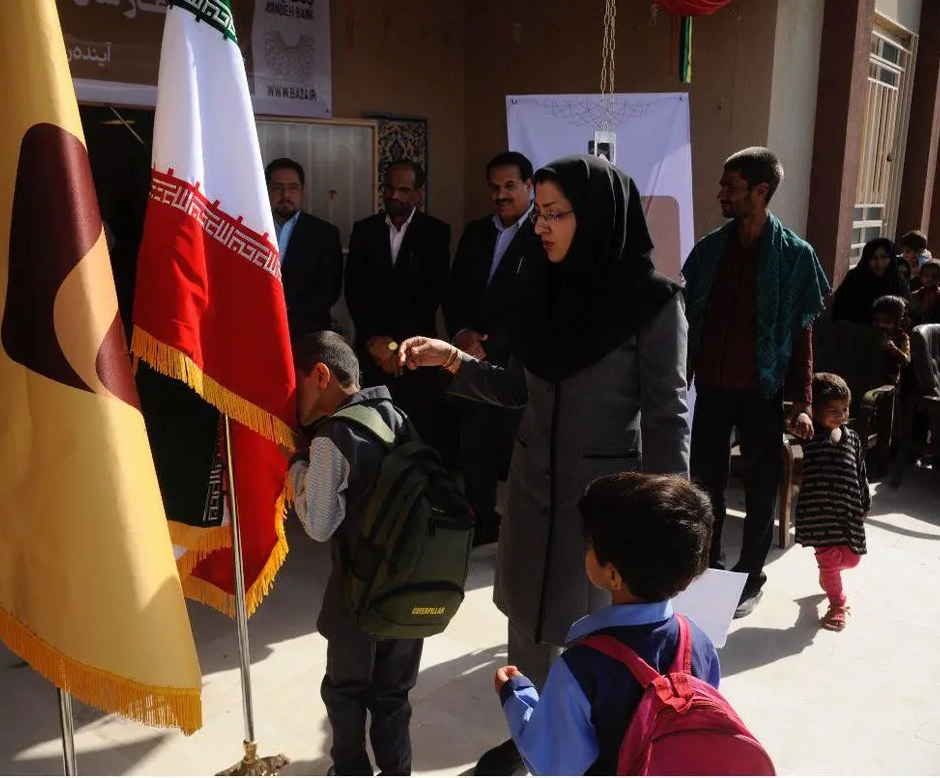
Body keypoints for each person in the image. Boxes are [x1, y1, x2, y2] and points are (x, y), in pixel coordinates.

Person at [398, 154, 690, 776]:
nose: (542, 227)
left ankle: (598, 750)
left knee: (600, 637)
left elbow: (667, 416)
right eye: (541, 213)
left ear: (599, 217)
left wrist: (673, 517)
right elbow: (514, 390)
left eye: (557, 214)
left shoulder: (653, 303)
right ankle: (527, 736)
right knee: (528, 622)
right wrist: (450, 358)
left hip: (606, 505)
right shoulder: (539, 290)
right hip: (532, 492)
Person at [683, 147, 829, 619]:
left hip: (763, 391)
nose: (721, 193)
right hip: (712, 388)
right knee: (706, 485)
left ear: (760, 191)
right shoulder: (709, 250)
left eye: (731, 186)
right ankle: (710, 569)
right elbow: (685, 322)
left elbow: (801, 334)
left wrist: (803, 401)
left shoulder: (794, 257)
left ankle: (749, 578)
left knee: (763, 487)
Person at [493, 472, 720, 775]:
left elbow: (552, 763)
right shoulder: (700, 644)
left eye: (591, 543)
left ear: (612, 575)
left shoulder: (581, 668)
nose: (586, 550)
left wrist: (515, 696)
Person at [289, 330, 423, 776]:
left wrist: (296, 468)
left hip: (359, 598)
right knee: (392, 696)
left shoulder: (333, 437)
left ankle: (349, 770)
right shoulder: (396, 415)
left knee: (346, 692)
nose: (292, 395)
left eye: (298, 382)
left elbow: (320, 524)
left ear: (321, 375)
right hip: (408, 592)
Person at [444, 151, 542, 545]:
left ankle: (524, 527)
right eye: (494, 187)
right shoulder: (476, 233)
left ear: (529, 186)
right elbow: (455, 291)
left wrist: (494, 344)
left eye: (509, 186)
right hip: (470, 358)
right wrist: (463, 332)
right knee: (475, 443)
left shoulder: (542, 232)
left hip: (516, 361)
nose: (501, 195)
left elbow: (535, 300)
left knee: (519, 448)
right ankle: (482, 519)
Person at [344, 160, 451, 446]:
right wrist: (374, 342)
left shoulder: (436, 233)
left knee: (416, 437)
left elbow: (431, 295)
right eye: (389, 188)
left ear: (418, 193)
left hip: (415, 355)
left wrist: (396, 346)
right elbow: (354, 291)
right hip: (371, 353)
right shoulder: (365, 230)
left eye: (404, 190)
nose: (394, 196)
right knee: (370, 435)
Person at [786, 373, 870, 631]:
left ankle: (828, 574)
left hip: (847, 510)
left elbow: (860, 471)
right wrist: (799, 416)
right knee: (829, 556)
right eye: (831, 410)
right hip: (818, 513)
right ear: (815, 410)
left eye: (844, 409)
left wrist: (864, 501)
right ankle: (837, 604)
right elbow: (790, 423)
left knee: (852, 559)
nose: (840, 415)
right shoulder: (809, 434)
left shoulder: (852, 438)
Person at [265, 157, 345, 339]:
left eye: (293, 187)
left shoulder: (325, 234)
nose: (285, 194)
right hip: (259, 331)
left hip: (307, 336)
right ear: (266, 190)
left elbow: (329, 290)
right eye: (277, 188)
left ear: (302, 191)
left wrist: (286, 315)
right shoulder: (251, 229)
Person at [830, 237, 909, 324]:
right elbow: (840, 314)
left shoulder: (897, 282)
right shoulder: (854, 279)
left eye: (884, 257)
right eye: (873, 257)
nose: (879, 263)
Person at [870, 295, 911, 386]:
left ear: (896, 322)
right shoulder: (870, 332)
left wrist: (894, 349)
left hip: (888, 384)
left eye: (886, 322)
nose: (880, 325)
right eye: (877, 320)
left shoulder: (902, 337)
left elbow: (906, 361)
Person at [910, 258, 940, 324]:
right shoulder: (923, 290)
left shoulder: (935, 293)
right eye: (926, 276)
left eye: (935, 277)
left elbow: (923, 311)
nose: (929, 279)